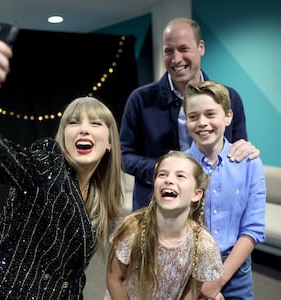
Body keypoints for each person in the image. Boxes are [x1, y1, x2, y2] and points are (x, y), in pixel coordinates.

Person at [0, 30, 124, 299]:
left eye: (95, 123)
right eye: (73, 122)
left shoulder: (96, 196)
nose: (83, 130)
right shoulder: (47, 165)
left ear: (110, 143)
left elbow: (70, 276)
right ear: (62, 136)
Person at [119, 17, 260, 211]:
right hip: (154, 209)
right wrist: (165, 169)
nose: (176, 59)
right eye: (169, 51)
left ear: (200, 47)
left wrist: (245, 150)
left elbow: (237, 150)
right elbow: (124, 156)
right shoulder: (140, 99)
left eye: (183, 49)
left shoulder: (230, 98)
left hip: (214, 208)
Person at [183, 81, 266, 299]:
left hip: (237, 270)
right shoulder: (178, 165)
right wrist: (201, 282)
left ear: (228, 116)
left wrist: (217, 281)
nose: (202, 123)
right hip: (189, 270)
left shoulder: (250, 164)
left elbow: (253, 229)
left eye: (211, 114)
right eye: (193, 116)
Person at [105, 151, 224, 300]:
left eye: (180, 176)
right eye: (162, 174)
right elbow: (114, 277)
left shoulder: (203, 245)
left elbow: (192, 291)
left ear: (196, 194)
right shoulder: (133, 229)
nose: (168, 180)